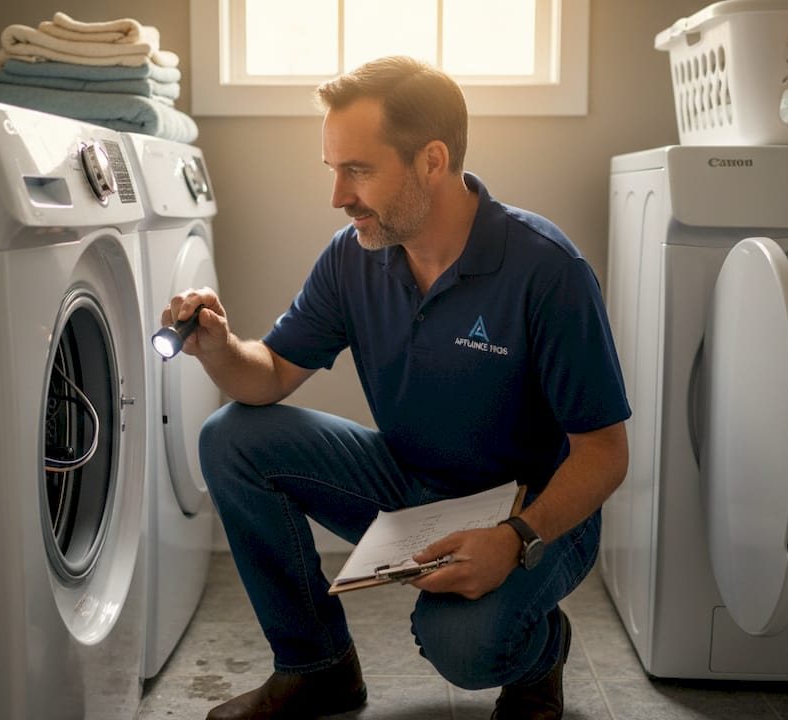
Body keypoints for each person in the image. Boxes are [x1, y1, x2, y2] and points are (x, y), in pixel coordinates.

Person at [162, 55, 630, 720]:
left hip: (534, 512)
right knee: (233, 437)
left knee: (464, 646)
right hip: (411, 482)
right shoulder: (353, 256)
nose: (338, 195)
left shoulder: (548, 271)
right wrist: (220, 348)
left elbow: (605, 454)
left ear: (431, 161)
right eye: (332, 169)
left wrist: (514, 537)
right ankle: (317, 668)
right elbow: (269, 375)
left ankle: (541, 652)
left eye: (357, 170)